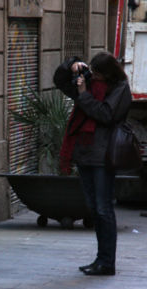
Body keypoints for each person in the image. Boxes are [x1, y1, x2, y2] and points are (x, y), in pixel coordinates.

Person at [54, 52, 132, 276]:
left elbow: (106, 114)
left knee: (103, 208)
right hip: (84, 152)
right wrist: (71, 66)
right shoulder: (88, 84)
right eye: (92, 72)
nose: (94, 77)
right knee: (95, 209)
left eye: (97, 73)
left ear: (108, 73)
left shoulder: (119, 88)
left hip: (104, 156)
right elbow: (59, 82)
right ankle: (101, 259)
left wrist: (83, 94)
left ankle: (107, 262)